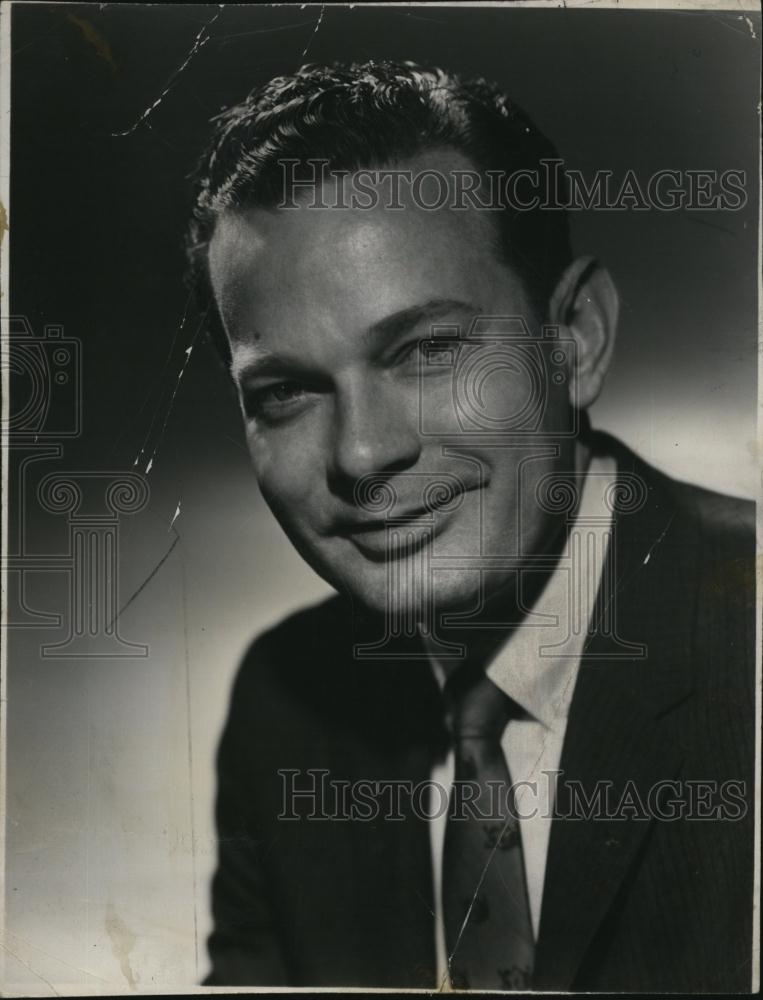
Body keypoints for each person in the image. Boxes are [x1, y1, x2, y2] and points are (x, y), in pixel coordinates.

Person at [186, 61, 755, 991]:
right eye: (286, 391)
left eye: (426, 349)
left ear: (574, 338)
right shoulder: (284, 709)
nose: (362, 456)